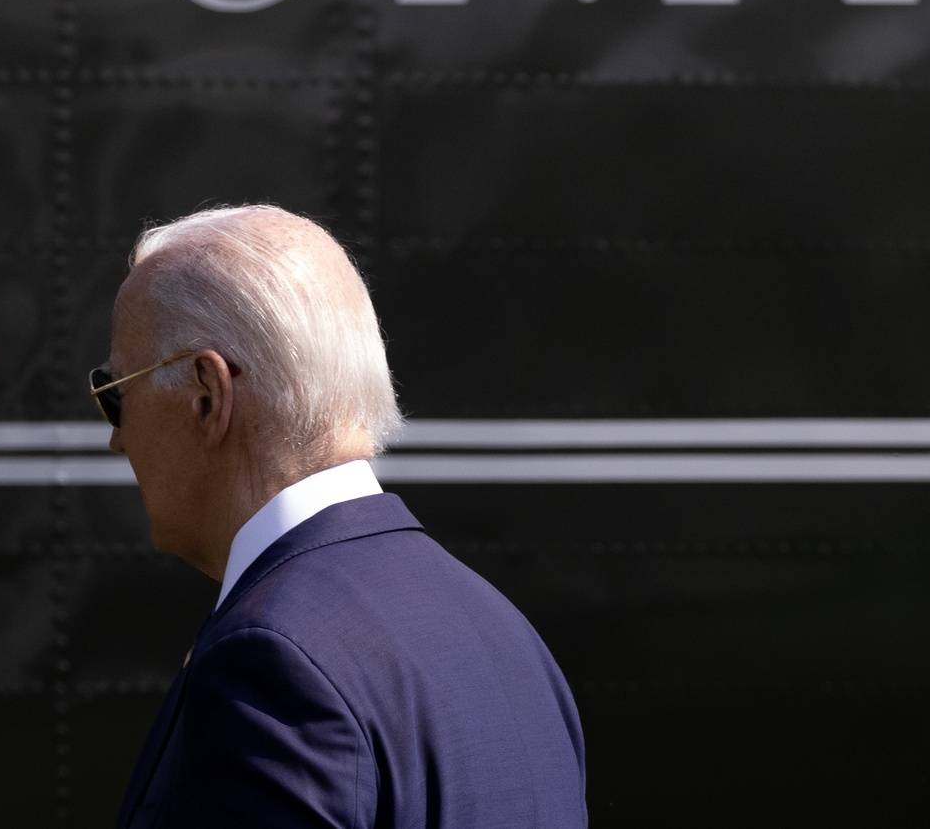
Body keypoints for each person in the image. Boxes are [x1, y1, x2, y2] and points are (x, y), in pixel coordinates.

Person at [92, 204, 586, 828]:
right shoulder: (501, 630)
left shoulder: (269, 661)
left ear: (205, 395)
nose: (118, 440)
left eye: (116, 395)